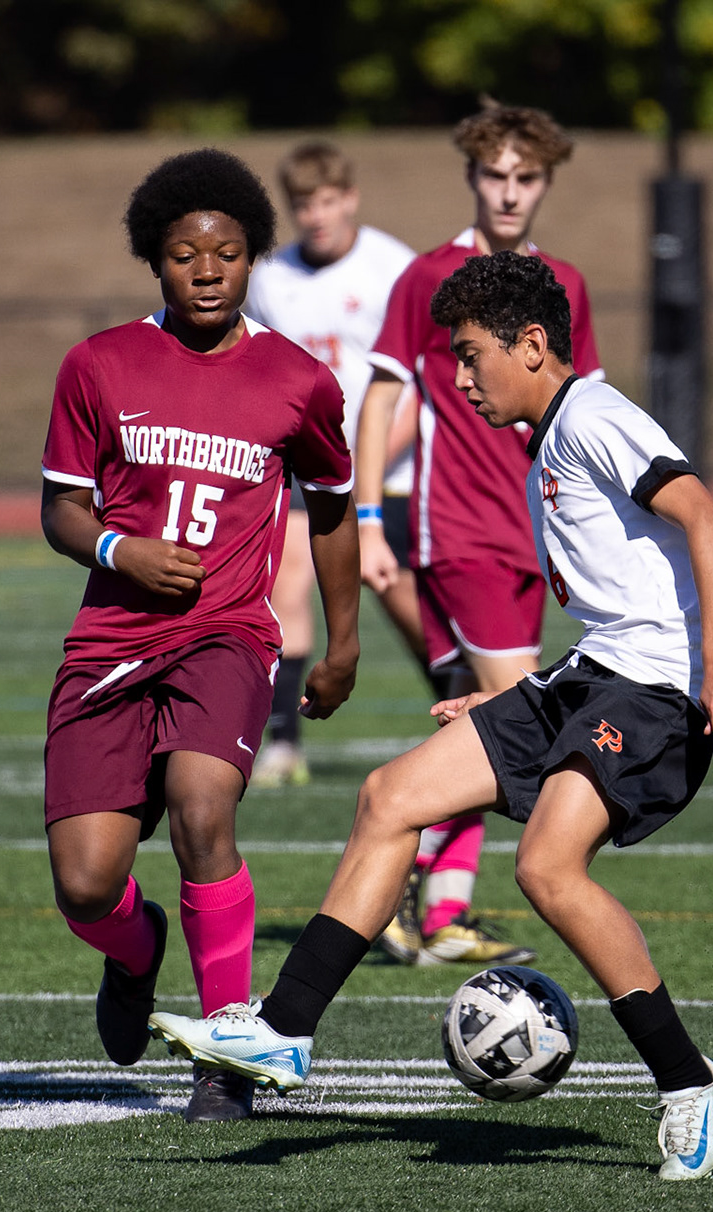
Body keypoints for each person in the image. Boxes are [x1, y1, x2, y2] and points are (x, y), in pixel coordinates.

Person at [153, 251, 713, 1182]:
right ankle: (284, 1031)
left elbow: (708, 520)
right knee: (392, 794)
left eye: (472, 357)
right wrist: (523, 699)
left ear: (534, 345)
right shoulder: (546, 446)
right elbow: (620, 605)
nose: (462, 378)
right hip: (592, 677)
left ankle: (688, 1084)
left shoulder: (595, 415)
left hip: (654, 695)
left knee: (546, 868)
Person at [39, 149, 361, 1123]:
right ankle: (138, 956)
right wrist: (116, 547)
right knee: (87, 886)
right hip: (109, 643)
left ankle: (229, 1047)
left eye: (226, 250)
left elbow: (335, 506)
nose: (209, 268)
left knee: (201, 807)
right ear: (156, 260)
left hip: (227, 635)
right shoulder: (99, 362)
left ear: (253, 255)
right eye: (186, 253)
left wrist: (342, 641)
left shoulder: (298, 380)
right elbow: (58, 507)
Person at [354, 102, 603, 967]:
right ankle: (396, 891)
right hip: (461, 535)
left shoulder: (564, 282)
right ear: (470, 177)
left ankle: (431, 904)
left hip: (533, 540)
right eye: (493, 174)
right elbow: (382, 395)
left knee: (486, 726)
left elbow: (582, 414)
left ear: (545, 183)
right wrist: (370, 519)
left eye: (524, 176)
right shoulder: (429, 275)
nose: (508, 191)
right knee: (520, 725)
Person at [243, 141, 423, 789]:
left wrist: (367, 469)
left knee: (411, 609)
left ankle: (466, 711)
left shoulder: (393, 269)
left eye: (325, 201)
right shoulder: (270, 279)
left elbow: (419, 385)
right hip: (305, 473)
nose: (315, 216)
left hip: (389, 477)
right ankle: (284, 743)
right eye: (302, 205)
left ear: (349, 198)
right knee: (288, 586)